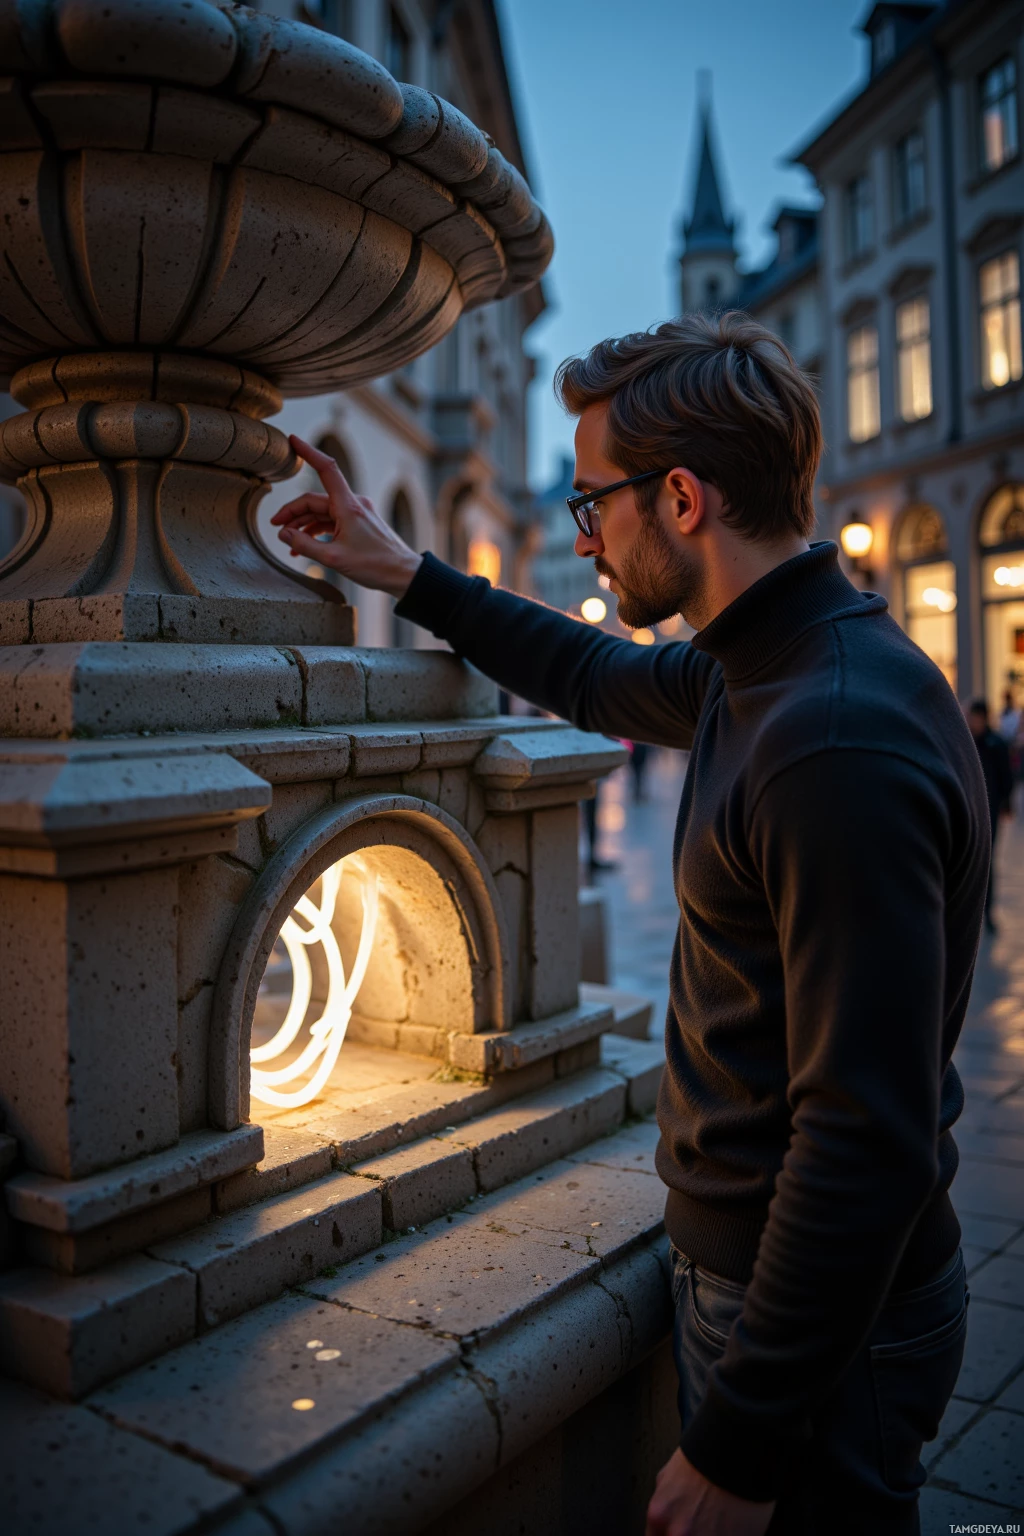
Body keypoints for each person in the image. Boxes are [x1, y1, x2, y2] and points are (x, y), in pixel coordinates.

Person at [272, 312, 989, 1536]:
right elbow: (595, 674)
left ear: (682, 499)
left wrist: (740, 1445)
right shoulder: (767, 661)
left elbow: (866, 1140)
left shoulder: (827, 738)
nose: (581, 535)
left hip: (810, 1326)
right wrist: (404, 572)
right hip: (778, 1296)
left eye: (590, 502)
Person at [966, 698, 1014, 934]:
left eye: (973, 716)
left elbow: (1006, 777)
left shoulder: (996, 744)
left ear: (982, 717)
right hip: (968, 809)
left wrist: (1007, 803)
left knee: (987, 861)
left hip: (991, 809)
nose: (970, 721)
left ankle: (988, 912)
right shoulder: (965, 742)